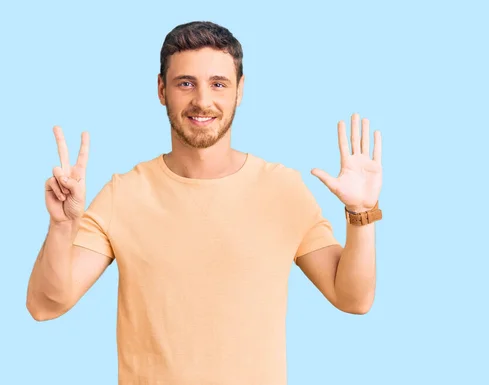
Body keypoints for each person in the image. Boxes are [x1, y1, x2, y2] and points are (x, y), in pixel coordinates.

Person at [26, 21, 383, 385]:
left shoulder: (283, 189)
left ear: (240, 91)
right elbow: (45, 305)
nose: (202, 100)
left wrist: (361, 214)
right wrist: (61, 225)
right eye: (185, 83)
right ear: (162, 90)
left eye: (218, 83)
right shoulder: (125, 193)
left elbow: (352, 298)